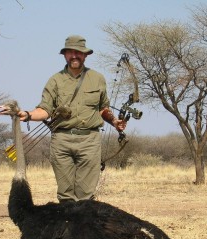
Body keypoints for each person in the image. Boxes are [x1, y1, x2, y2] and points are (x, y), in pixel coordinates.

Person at [18, 35, 126, 202]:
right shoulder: (55, 80)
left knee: (85, 196)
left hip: (89, 140)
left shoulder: (98, 79)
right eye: (70, 52)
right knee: (65, 195)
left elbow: (103, 108)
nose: (74, 56)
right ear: (65, 55)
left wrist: (114, 122)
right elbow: (45, 109)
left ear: (85, 55)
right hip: (62, 141)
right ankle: (67, 226)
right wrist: (28, 115)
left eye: (79, 52)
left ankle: (83, 227)